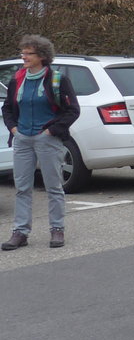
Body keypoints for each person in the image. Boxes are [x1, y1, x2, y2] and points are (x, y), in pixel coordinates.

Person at [2, 35, 80, 250]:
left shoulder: (57, 80)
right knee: (22, 188)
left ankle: (57, 229)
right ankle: (20, 232)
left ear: (43, 56)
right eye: (23, 52)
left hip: (48, 140)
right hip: (22, 139)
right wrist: (14, 129)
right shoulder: (17, 79)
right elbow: (7, 108)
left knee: (53, 187)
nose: (23, 56)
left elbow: (73, 110)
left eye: (29, 53)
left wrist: (51, 131)